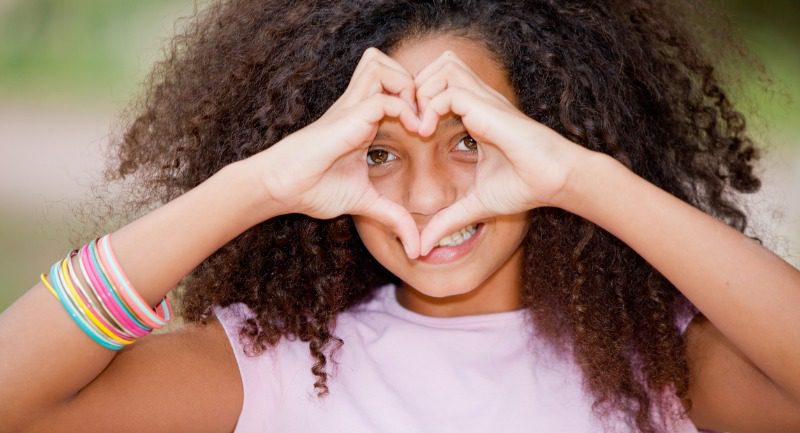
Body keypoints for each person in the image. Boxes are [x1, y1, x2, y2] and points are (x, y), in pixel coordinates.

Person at [1, 1, 799, 432]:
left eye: (470, 140)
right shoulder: (269, 368)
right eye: (379, 152)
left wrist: (585, 179)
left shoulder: (659, 367)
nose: (426, 196)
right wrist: (255, 185)